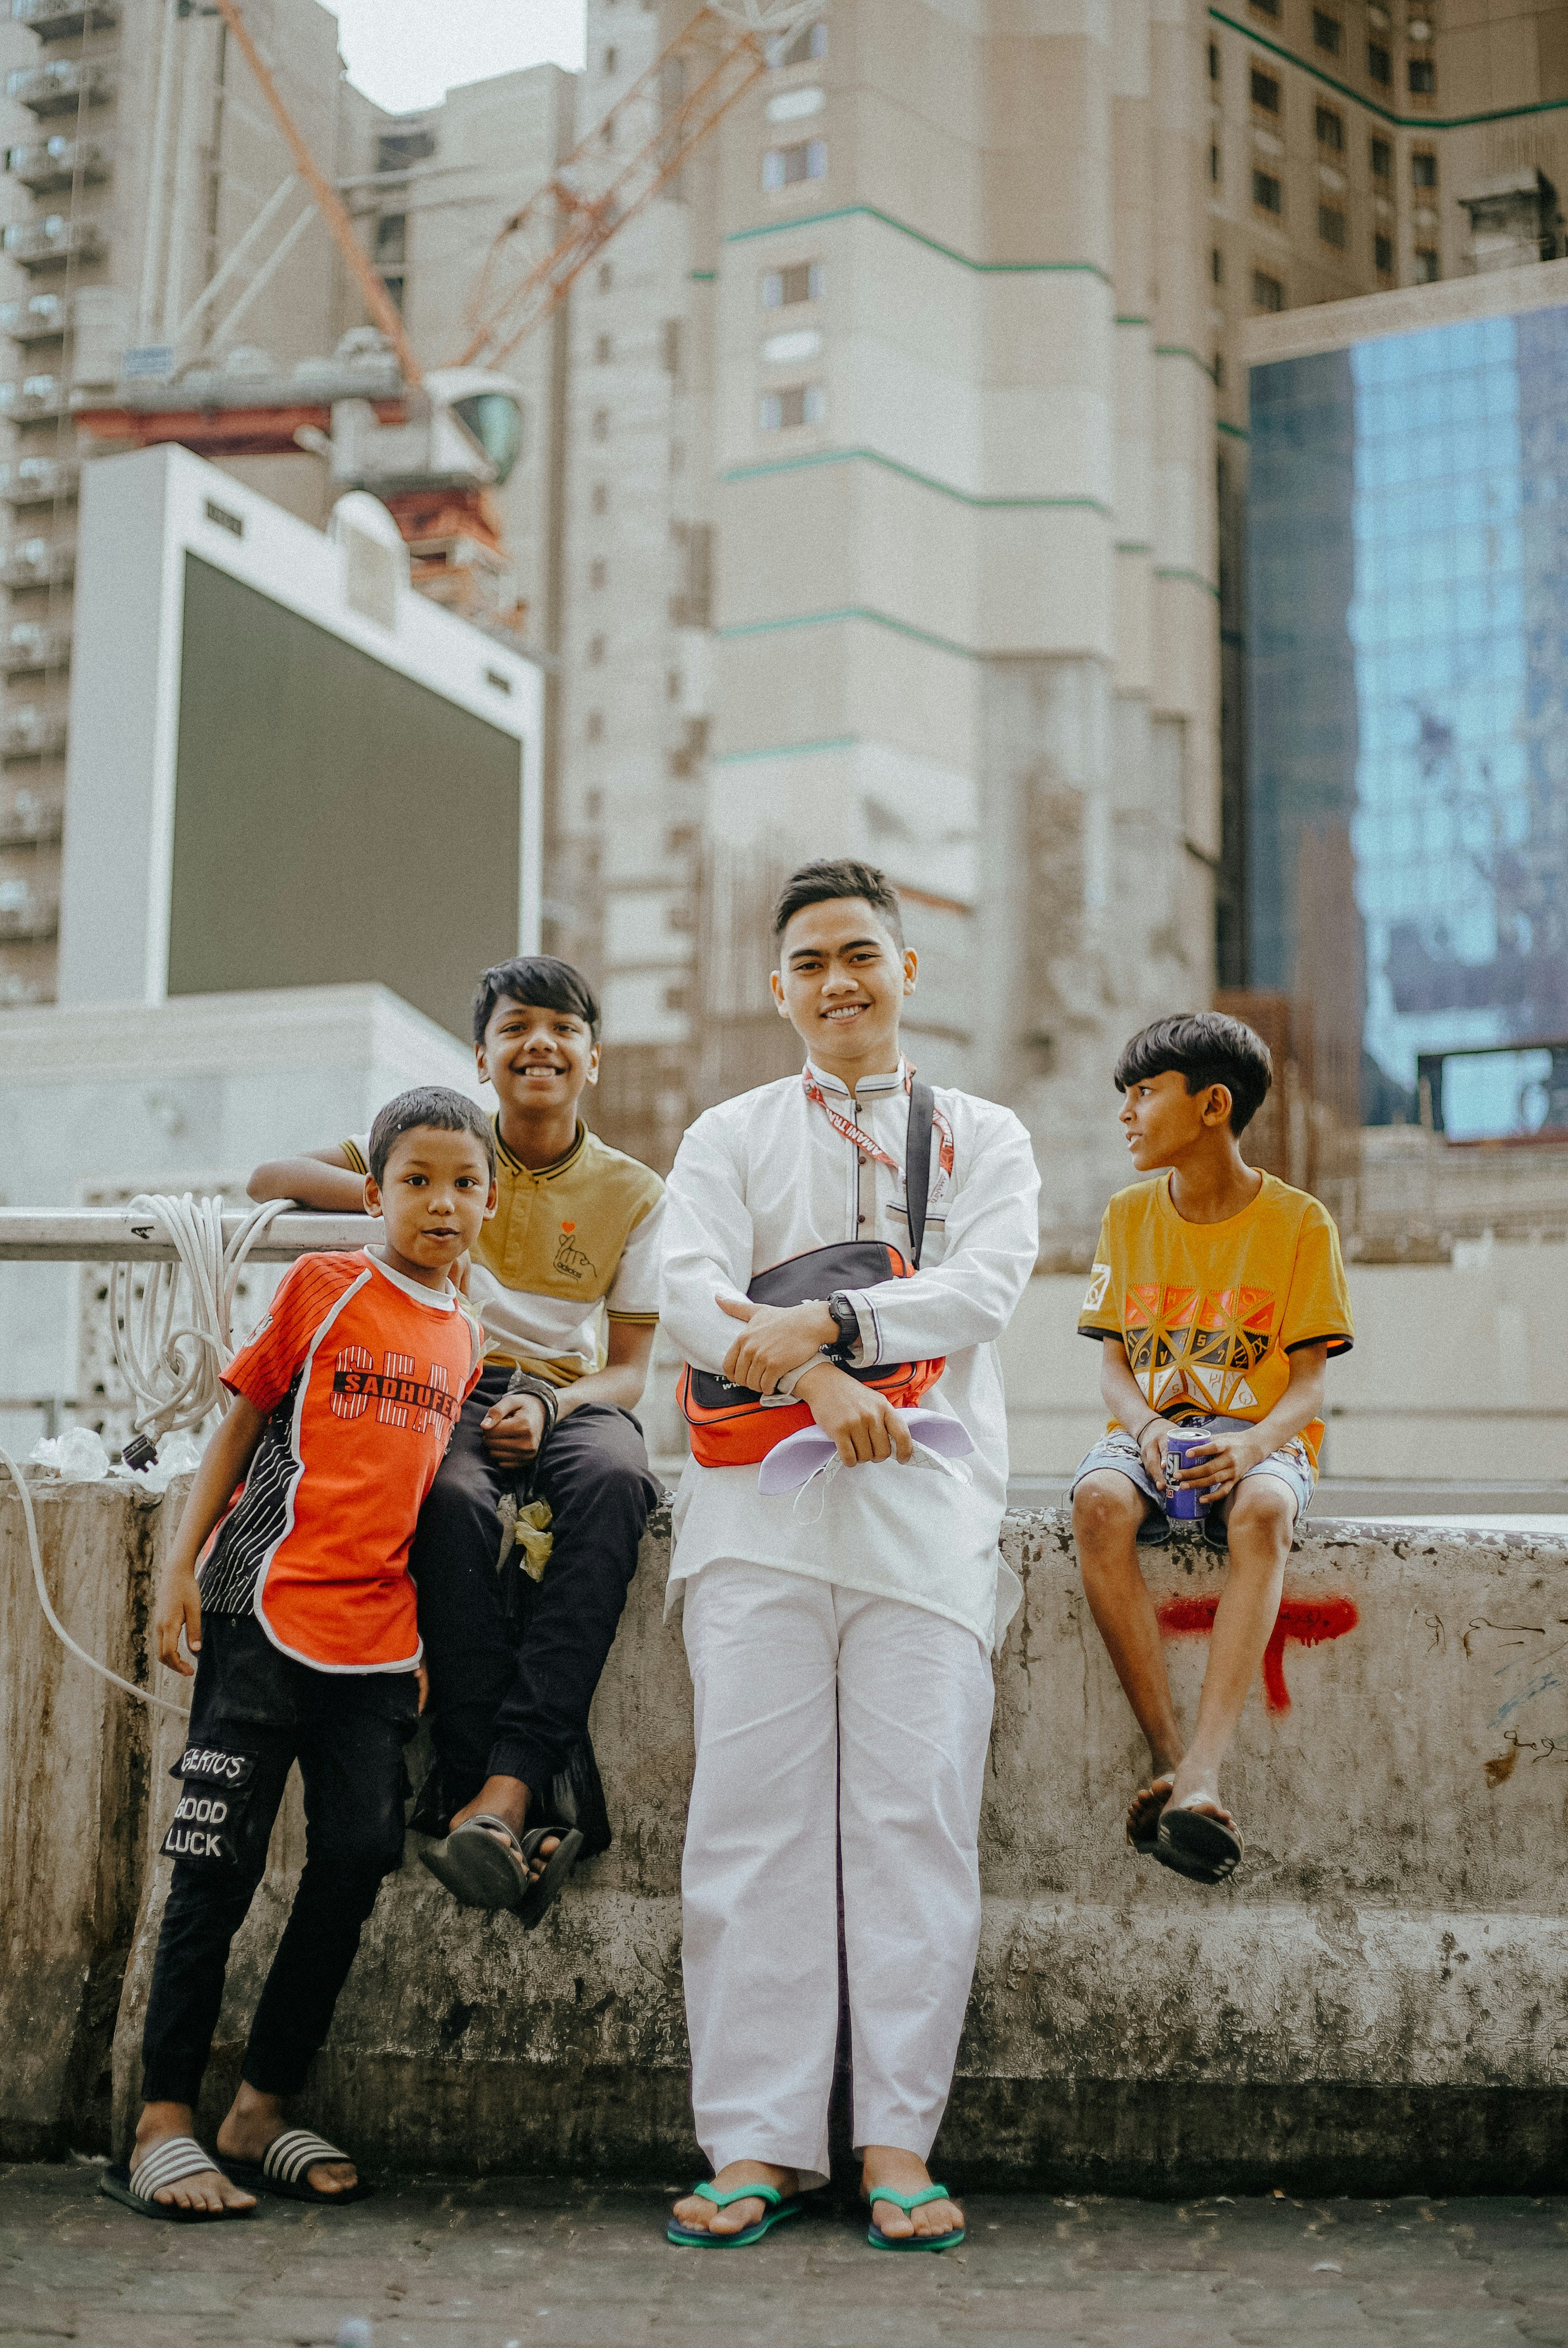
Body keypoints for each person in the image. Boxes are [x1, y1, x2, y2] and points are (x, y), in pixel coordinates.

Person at [658, 858, 1039, 2253]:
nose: (839, 980)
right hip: (754, 1525)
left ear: (907, 968)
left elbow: (986, 1286)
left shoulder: (984, 1135)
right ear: (780, 989)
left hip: (926, 1529)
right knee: (749, 1828)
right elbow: (687, 1288)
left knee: (913, 1828)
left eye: (861, 954)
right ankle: (757, 2140)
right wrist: (817, 1384)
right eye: (811, 960)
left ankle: (895, 2140)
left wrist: (829, 1333)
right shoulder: (730, 1133)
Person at [105, 1088, 493, 2221]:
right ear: (375, 1193)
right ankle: (162, 2118)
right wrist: (183, 1564)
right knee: (214, 1865)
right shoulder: (326, 1286)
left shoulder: (465, 1331)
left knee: (361, 1853)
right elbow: (239, 1419)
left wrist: (417, 1636)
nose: (440, 1201)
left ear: (486, 1200)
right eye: (416, 1179)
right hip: (260, 1614)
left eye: (464, 1182)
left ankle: (261, 2104)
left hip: (377, 1642)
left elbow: (413, 1493)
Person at [247, 956, 663, 1918]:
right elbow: (269, 1176)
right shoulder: (446, 1152)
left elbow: (633, 1370)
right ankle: (495, 1783)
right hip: (445, 1388)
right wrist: (391, 1190)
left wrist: (554, 1408)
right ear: (482, 1057)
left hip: (570, 1398)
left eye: (563, 1027)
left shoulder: (636, 1191)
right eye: (517, 1026)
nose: (541, 1044)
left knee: (613, 1484)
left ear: (593, 1058)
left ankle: (500, 1786)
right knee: (446, 1500)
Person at [1070, 1011, 1354, 1885]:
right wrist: (1151, 1432)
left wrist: (1252, 1448)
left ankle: (1208, 1765)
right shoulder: (1125, 1216)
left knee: (1265, 1512)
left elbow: (1309, 1386)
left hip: (1258, 1437)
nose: (1126, 1113)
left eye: (1145, 1093)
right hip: (1152, 1433)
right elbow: (1115, 1372)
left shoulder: (1301, 1224)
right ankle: (1173, 1765)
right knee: (1097, 1504)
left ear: (1213, 1106)